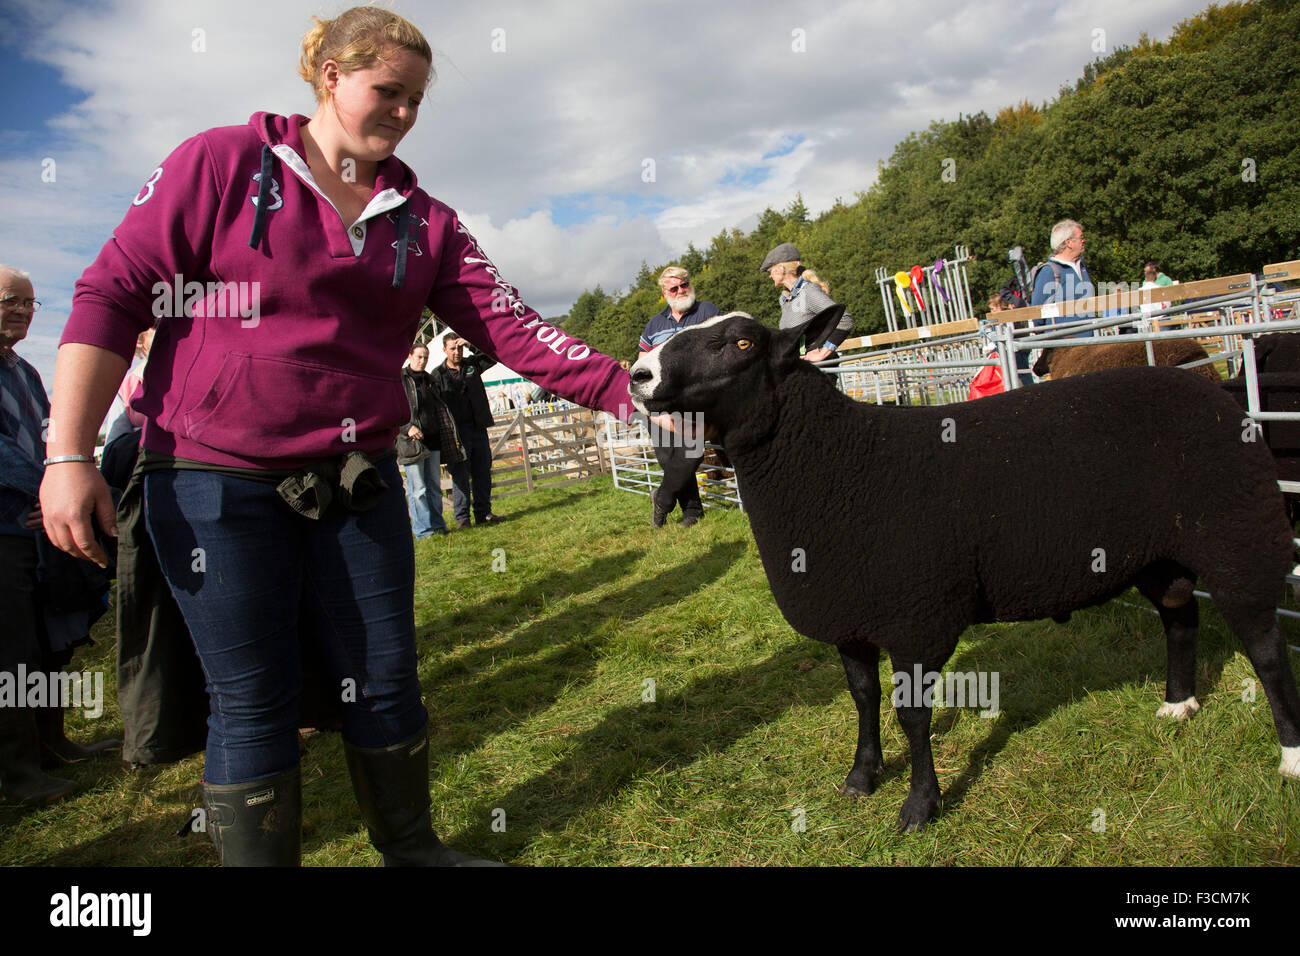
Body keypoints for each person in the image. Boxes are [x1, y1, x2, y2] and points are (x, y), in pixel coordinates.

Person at [40, 7, 631, 866]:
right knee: (253, 697)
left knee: (387, 676)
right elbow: (110, 294)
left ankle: (413, 850)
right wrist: (68, 453)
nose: (403, 114)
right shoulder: (224, 162)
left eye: (417, 101)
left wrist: (632, 392)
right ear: (330, 77)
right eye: (388, 91)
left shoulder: (425, 219)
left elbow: (516, 330)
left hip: (357, 480)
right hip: (213, 480)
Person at [0, 267, 117, 807]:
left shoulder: (24, 372)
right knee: (10, 652)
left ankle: (52, 743)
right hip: (6, 528)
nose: (23, 310)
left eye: (29, 301)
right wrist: (44, 489)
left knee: (46, 642)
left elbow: (55, 437)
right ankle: (17, 774)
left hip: (33, 529)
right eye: (10, 301)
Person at [638, 266, 719, 527]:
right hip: (660, 402)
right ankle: (693, 511)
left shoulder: (707, 312)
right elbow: (642, 363)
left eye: (684, 284)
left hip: (692, 399)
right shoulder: (654, 324)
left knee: (691, 455)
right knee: (668, 459)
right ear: (665, 292)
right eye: (674, 288)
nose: (681, 290)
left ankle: (662, 499)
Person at [428, 336, 502, 529]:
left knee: (482, 470)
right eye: (452, 349)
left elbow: (492, 356)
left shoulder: (471, 365)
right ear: (444, 350)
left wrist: (469, 343)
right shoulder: (437, 376)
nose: (457, 352)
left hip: (478, 427)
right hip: (456, 433)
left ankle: (483, 513)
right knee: (460, 474)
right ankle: (462, 518)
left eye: (459, 349)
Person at [760, 242, 854, 362]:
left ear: (781, 269)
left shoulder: (808, 292)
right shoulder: (785, 300)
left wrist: (822, 353)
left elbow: (844, 319)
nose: (770, 276)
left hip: (817, 371)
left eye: (770, 271)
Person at [398, 344, 453, 537]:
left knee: (434, 487)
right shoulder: (400, 380)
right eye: (419, 357)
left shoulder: (430, 380)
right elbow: (392, 411)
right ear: (410, 356)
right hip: (411, 443)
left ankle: (438, 525)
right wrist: (407, 427)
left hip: (433, 439)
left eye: (425, 358)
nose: (422, 361)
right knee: (418, 489)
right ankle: (423, 530)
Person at [1030, 219, 1094, 327]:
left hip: (1090, 338)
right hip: (1064, 340)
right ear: (1068, 242)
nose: (1084, 240)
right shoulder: (1048, 271)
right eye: (1081, 238)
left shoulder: (1082, 267)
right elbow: (1036, 315)